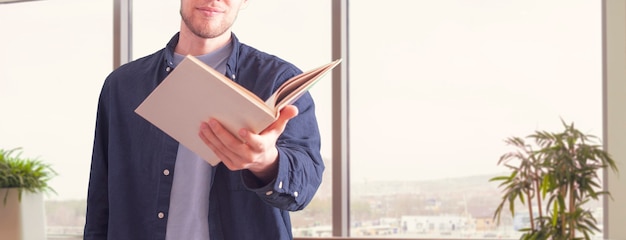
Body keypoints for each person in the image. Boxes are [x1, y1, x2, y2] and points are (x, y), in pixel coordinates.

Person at [83, 0, 325, 239]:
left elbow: (303, 188)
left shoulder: (279, 80)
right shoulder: (123, 86)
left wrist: (265, 162)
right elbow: (100, 203)